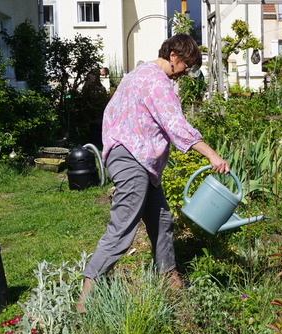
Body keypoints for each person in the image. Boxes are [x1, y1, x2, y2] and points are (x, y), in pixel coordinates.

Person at [76, 34, 229, 313]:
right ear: (173, 56)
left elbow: (111, 114)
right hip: (134, 161)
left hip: (136, 159)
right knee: (123, 228)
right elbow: (177, 126)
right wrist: (212, 154)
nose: (185, 72)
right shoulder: (158, 82)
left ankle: (169, 278)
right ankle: (87, 297)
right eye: (186, 64)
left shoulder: (137, 74)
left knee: (161, 219)